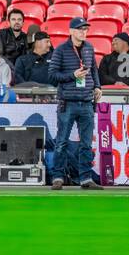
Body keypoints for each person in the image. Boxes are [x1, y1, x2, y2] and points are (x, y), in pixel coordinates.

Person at [47, 18, 103, 190]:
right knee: (62, 141)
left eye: (85, 29)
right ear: (71, 31)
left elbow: (93, 69)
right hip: (68, 102)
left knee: (86, 143)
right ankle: (58, 177)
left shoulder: (89, 48)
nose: (83, 32)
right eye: (79, 29)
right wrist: (73, 75)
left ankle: (85, 178)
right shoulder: (61, 50)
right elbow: (52, 76)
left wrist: (98, 86)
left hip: (86, 101)